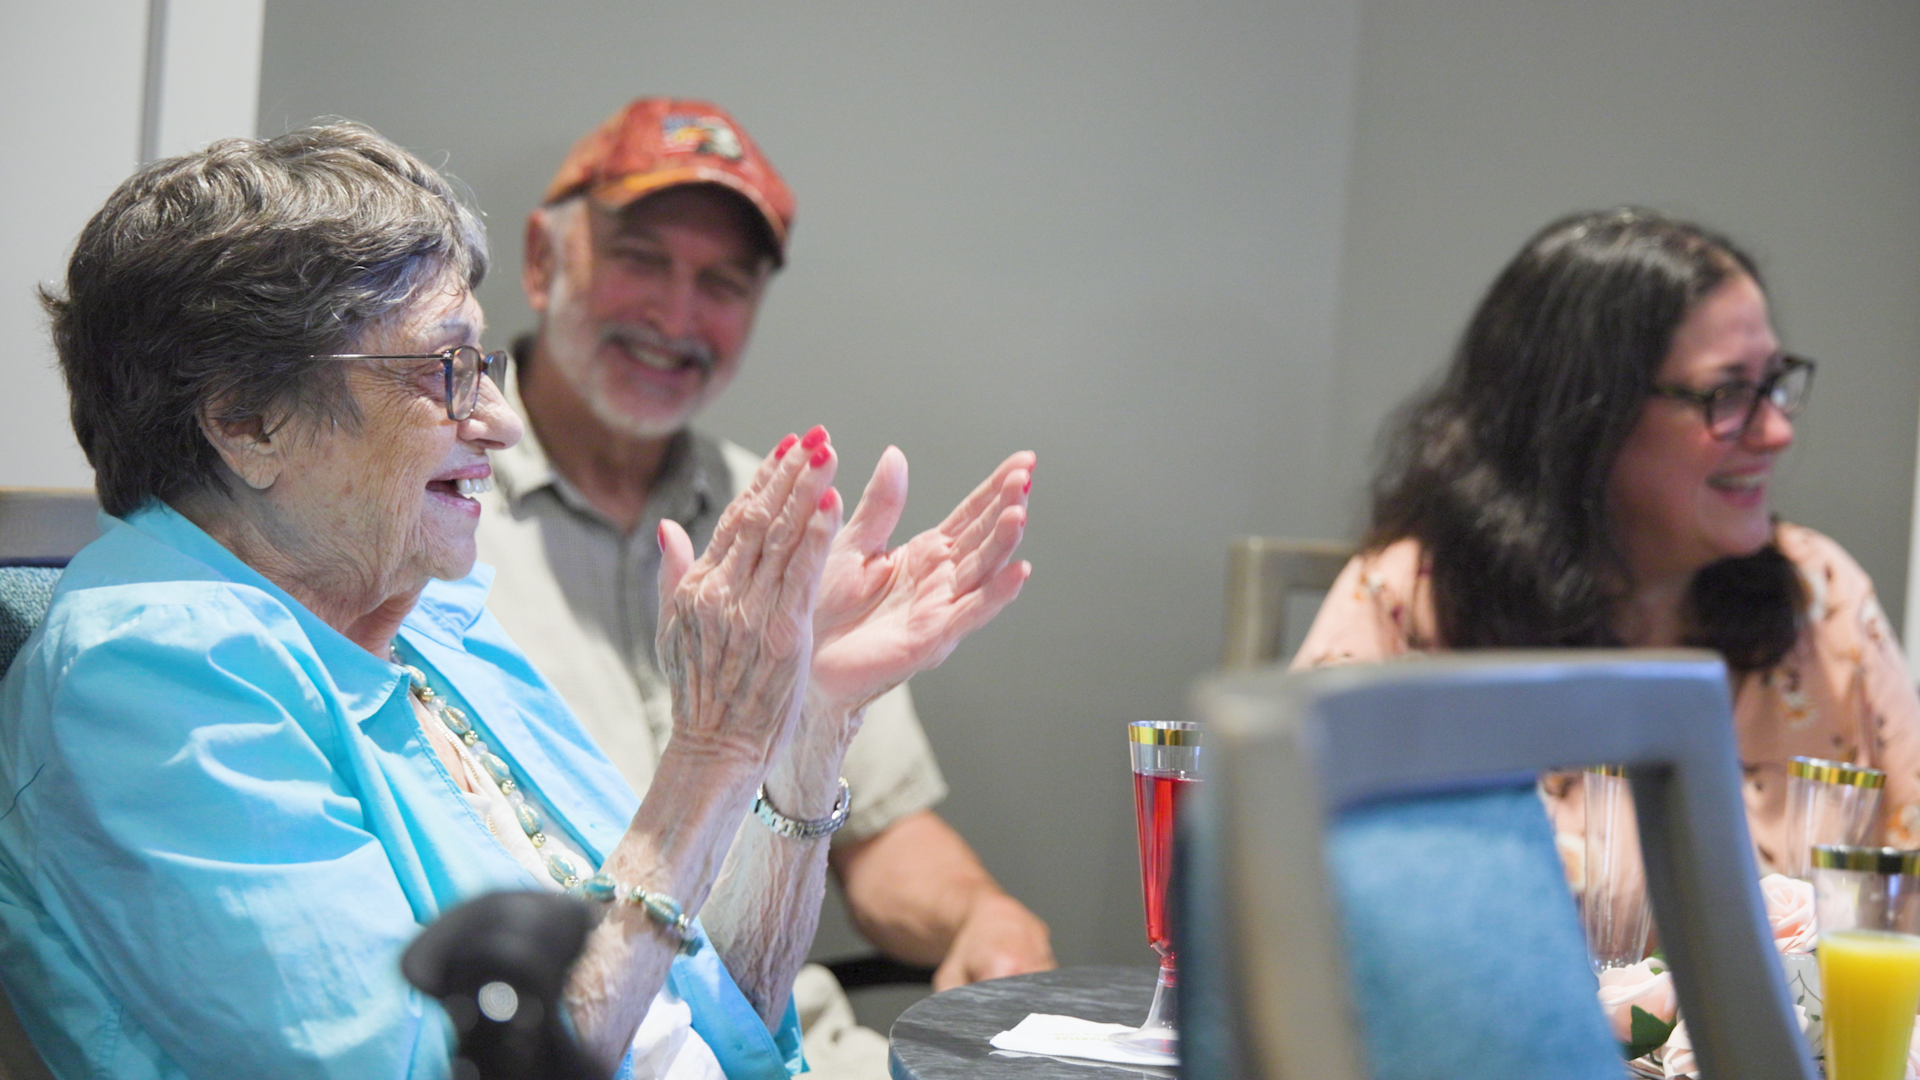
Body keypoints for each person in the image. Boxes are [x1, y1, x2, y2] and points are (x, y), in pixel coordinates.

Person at [0, 122, 1032, 1080]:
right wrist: (714, 753)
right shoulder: (148, 674)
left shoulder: (430, 622)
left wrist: (808, 727)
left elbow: (722, 1026)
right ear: (247, 421)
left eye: (482, 363)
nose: (497, 418)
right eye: (443, 369)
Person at [473, 97, 1052, 1067]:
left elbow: (883, 834)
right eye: (641, 259)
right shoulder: (433, 504)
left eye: (723, 283)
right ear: (541, 260)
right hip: (575, 1042)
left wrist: (980, 916)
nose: (676, 316)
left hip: (783, 1038)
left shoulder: (784, 516)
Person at [1292, 207, 1920, 872]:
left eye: (1774, 382)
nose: (1777, 432)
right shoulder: (1415, 597)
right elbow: (1287, 872)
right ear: (1585, 416)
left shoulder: (1819, 594)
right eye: (1728, 392)